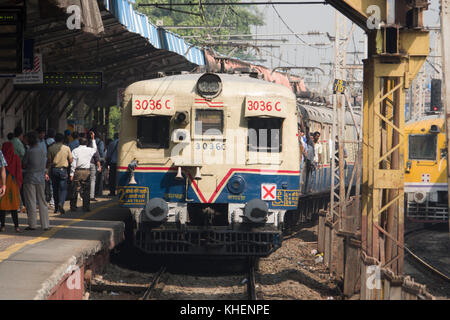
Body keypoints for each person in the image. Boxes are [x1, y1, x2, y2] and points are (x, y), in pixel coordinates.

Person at [22, 131, 50, 231]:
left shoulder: (29, 151)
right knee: (42, 201)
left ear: (29, 140)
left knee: (31, 201)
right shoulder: (42, 150)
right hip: (41, 178)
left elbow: (24, 164)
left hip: (30, 178)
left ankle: (32, 224)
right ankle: (45, 225)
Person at [70, 138, 99, 212]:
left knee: (75, 189)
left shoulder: (75, 150)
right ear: (86, 143)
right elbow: (95, 149)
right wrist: (93, 140)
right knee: (86, 190)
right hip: (86, 171)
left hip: (78, 171)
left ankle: (73, 206)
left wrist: (71, 173)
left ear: (79, 142)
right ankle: (86, 207)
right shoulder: (90, 150)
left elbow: (73, 163)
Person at [47, 133, 73, 215]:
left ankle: (56, 208)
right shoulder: (67, 148)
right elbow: (71, 160)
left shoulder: (51, 148)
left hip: (54, 170)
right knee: (63, 189)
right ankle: (61, 203)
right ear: (62, 140)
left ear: (55, 139)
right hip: (63, 170)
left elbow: (49, 161)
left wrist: (47, 172)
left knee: (55, 189)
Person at [0, 143, 22, 233]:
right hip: (13, 184)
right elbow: (18, 171)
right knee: (14, 206)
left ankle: (3, 226)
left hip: (2, 183)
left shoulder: (2, 156)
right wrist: (19, 183)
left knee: (2, 206)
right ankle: (16, 227)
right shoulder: (16, 157)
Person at [94, 132, 105, 197]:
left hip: (93, 161)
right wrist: (103, 159)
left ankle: (94, 191)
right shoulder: (100, 142)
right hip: (99, 161)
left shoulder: (91, 142)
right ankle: (99, 192)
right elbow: (101, 152)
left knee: (94, 178)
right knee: (100, 177)